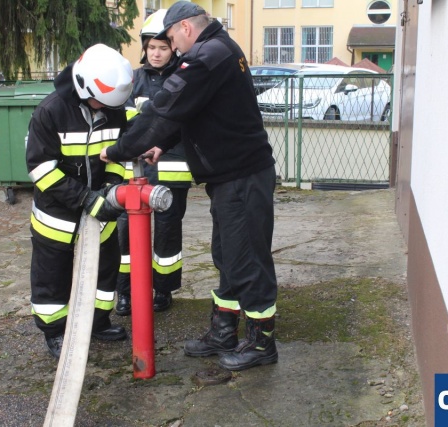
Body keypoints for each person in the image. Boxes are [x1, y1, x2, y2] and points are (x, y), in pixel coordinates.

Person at [100, 1, 279, 372]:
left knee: (247, 260)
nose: (171, 46)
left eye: (170, 38)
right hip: (231, 176)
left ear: (185, 28)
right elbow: (195, 112)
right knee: (228, 256)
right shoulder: (219, 49)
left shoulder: (204, 58)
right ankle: (224, 331)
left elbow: (165, 108)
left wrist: (118, 150)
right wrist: (162, 144)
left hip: (242, 176)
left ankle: (262, 343)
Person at [26, 44, 132, 359]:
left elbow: (117, 156)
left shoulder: (113, 107)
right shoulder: (50, 112)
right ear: (84, 87)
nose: (106, 109)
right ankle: (55, 331)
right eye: (102, 102)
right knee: (52, 276)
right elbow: (41, 170)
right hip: (56, 216)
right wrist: (86, 198)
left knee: (105, 269)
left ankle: (97, 321)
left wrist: (110, 188)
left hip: (101, 209)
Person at [115, 9, 192, 316]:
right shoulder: (132, 81)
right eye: (151, 47)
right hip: (134, 169)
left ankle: (163, 289)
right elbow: (123, 122)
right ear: (144, 48)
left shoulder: (184, 79)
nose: (156, 53)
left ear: (173, 47)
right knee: (125, 231)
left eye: (162, 47)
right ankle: (125, 291)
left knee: (167, 230)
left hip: (172, 169)